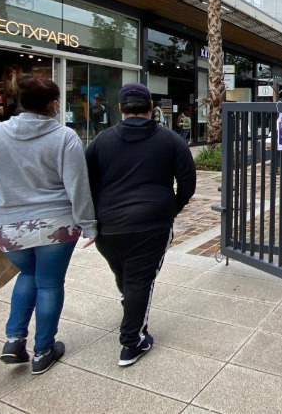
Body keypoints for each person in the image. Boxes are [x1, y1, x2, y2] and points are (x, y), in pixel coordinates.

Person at [0, 75, 96, 375]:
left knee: (27, 275)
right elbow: (77, 186)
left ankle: (14, 339)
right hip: (56, 226)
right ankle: (44, 350)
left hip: (10, 227)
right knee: (49, 283)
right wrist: (89, 224)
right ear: (53, 104)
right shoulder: (64, 137)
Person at [85, 83, 196, 367]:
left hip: (108, 225)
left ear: (121, 108)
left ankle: (130, 307)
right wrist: (171, 208)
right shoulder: (172, 141)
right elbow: (187, 185)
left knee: (125, 275)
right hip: (151, 224)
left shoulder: (100, 141)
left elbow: (85, 183)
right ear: (151, 107)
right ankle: (132, 342)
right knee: (139, 281)